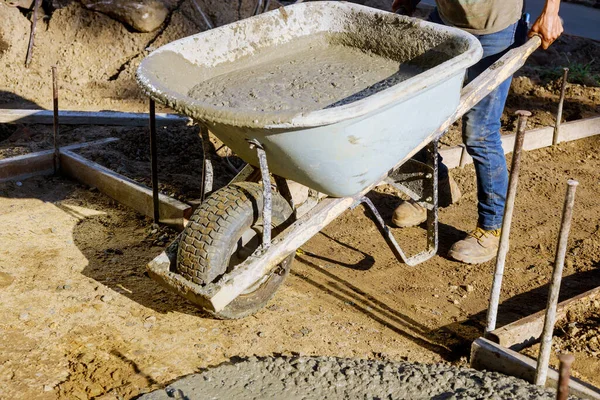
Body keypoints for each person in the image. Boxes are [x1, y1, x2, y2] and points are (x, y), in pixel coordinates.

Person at [390, 0, 563, 264]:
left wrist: (551, 11)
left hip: (497, 32)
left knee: (479, 133)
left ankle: (490, 227)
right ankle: (434, 189)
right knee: (418, 117)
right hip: (446, 23)